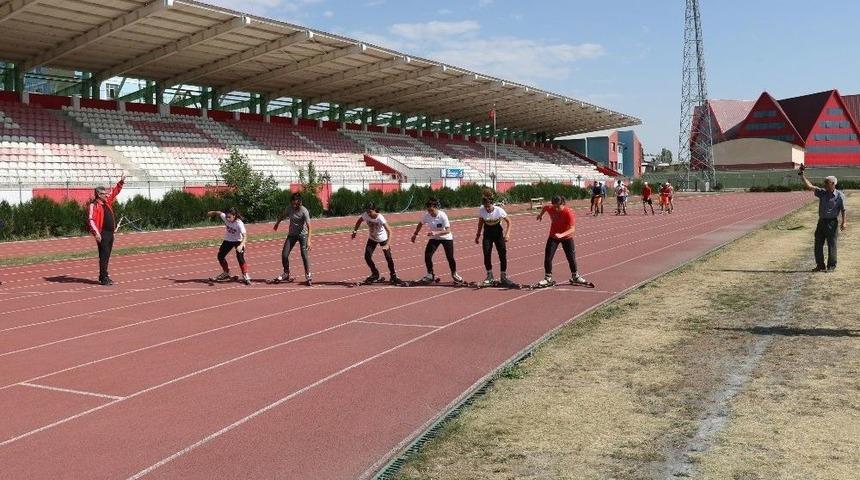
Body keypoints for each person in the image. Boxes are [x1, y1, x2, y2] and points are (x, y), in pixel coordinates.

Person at [535, 195, 589, 287]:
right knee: (548, 257)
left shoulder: (568, 212)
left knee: (571, 258)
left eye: (558, 207)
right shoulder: (550, 208)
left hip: (567, 237)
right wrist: (540, 215)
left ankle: (575, 276)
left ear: (562, 204)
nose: (556, 209)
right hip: (553, 236)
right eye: (554, 207)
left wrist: (561, 235)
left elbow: (572, 229)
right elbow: (545, 208)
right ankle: (547, 278)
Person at [800, 172, 847, 272]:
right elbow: (810, 186)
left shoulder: (840, 196)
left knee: (832, 244)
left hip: (832, 223)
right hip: (821, 222)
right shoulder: (822, 192)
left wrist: (844, 222)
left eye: (826, 182)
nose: (824, 184)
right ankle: (820, 265)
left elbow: (843, 209)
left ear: (833, 183)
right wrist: (801, 175)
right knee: (818, 243)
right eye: (824, 182)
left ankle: (831, 266)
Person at [411, 198, 464, 284]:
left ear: (436, 208)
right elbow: (420, 224)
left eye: (431, 210)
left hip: (446, 238)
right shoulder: (426, 215)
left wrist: (436, 232)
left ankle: (454, 274)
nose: (430, 212)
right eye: (428, 210)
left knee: (450, 257)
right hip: (435, 238)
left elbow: (448, 230)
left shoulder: (442, 215)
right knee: (427, 255)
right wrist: (415, 234)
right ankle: (430, 275)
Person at [87, 175, 125, 285]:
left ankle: (103, 275)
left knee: (107, 255)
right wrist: (96, 233)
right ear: (98, 195)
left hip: (110, 234)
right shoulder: (93, 205)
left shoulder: (107, 202)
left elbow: (114, 192)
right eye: (104, 194)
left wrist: (121, 182)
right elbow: (90, 220)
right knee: (104, 255)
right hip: (102, 233)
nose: (106, 195)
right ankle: (104, 277)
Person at [351, 202, 400, 284]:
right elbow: (359, 221)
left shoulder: (380, 218)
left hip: (383, 239)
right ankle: (375, 274)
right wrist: (355, 231)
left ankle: (393, 275)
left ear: (374, 210)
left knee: (388, 257)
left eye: (370, 211)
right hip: (372, 238)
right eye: (367, 211)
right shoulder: (365, 215)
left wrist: (387, 244)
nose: (368, 213)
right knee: (367, 257)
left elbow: (390, 231)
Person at [273, 192, 313, 286]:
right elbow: (283, 215)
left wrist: (309, 240)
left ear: (299, 202)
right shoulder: (289, 208)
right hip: (292, 234)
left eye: (296, 203)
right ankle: (286, 273)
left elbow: (309, 227)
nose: (294, 204)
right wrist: (277, 223)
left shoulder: (304, 211)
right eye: (292, 202)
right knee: (284, 254)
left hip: (303, 235)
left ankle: (308, 274)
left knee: (304, 255)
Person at [207, 208, 251, 285]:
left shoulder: (239, 223)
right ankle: (226, 272)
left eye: (229, 217)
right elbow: (219, 212)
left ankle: (245, 274)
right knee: (220, 256)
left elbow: (245, 236)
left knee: (240, 257)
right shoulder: (226, 217)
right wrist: (212, 212)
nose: (227, 218)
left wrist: (241, 245)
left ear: (234, 216)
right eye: (227, 216)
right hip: (228, 240)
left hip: (238, 241)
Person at [475, 196, 513, 286]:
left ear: (492, 204)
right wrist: (477, 235)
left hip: (498, 233)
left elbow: (509, 221)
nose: (487, 208)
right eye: (485, 206)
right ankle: (489, 276)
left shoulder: (499, 210)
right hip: (487, 234)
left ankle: (503, 276)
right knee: (486, 253)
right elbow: (480, 223)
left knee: (502, 254)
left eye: (489, 206)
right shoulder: (482, 210)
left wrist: (507, 234)